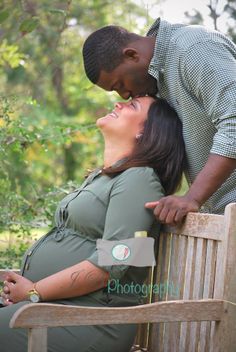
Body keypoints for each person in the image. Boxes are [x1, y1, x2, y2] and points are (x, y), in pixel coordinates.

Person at [0, 96, 186, 352]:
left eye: (132, 105)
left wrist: (33, 291)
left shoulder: (141, 180)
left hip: (90, 321)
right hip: (53, 310)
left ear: (146, 132)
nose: (119, 103)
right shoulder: (106, 177)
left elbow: (113, 265)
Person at [82, 18, 236, 225]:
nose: (125, 95)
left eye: (120, 85)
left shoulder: (193, 49)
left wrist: (193, 197)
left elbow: (233, 123)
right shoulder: (157, 81)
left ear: (132, 55)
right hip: (222, 219)